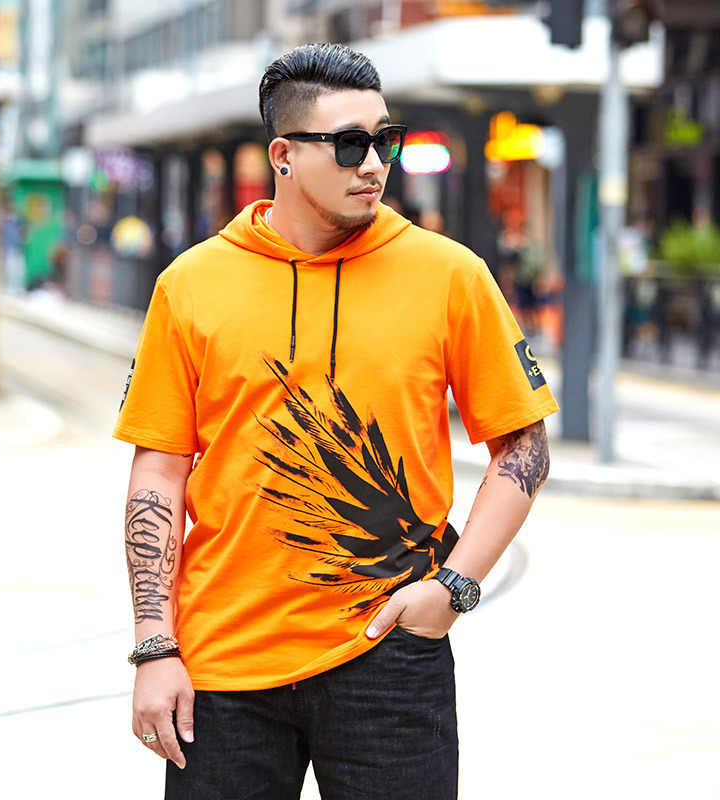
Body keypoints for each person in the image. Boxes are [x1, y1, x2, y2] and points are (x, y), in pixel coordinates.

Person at [114, 42, 558, 800]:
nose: (374, 164)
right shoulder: (191, 285)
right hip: (224, 664)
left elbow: (524, 445)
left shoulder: (450, 275)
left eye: (386, 140)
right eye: (349, 144)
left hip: (388, 658)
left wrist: (454, 588)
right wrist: (155, 647)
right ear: (283, 155)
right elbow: (158, 471)